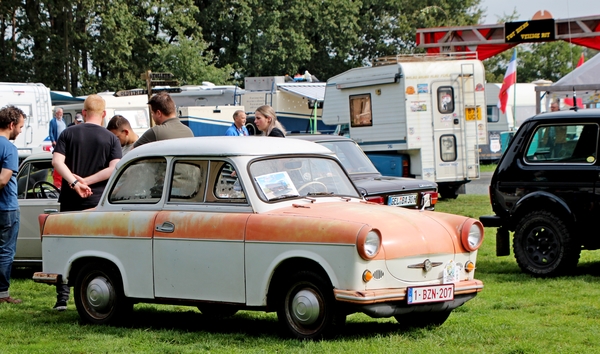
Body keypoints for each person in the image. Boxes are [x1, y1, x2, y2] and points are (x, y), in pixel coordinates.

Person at [51, 94, 122, 311]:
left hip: (70, 199)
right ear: (104, 114)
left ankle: (62, 298)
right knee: (96, 248)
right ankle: (96, 290)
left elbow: (56, 162)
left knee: (64, 247)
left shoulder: (68, 133)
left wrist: (75, 182)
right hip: (98, 201)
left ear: (83, 113)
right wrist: (88, 182)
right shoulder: (111, 139)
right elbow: (114, 168)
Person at [0, 106, 25, 305]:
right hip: (6, 207)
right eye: (20, 126)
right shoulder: (9, 148)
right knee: (6, 250)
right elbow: (3, 179)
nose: (20, 130)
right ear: (11, 124)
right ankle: (2, 294)